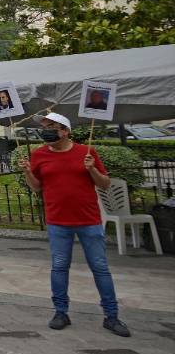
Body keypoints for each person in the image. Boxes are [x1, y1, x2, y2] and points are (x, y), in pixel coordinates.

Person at [19, 112, 128, 337]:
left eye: (51, 126)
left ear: (65, 130)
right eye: (45, 126)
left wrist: (92, 169)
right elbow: (37, 187)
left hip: (88, 220)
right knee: (59, 267)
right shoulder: (38, 154)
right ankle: (61, 312)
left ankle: (112, 315)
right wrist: (28, 172)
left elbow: (105, 184)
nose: (46, 130)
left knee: (100, 268)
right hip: (57, 221)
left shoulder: (86, 152)